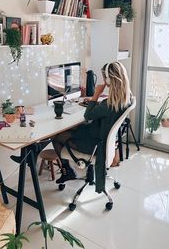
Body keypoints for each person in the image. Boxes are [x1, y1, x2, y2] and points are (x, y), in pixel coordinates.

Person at [52, 61, 131, 192]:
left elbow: (88, 116)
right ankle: (72, 170)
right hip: (104, 141)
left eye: (104, 78)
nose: (104, 81)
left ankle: (67, 171)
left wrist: (96, 94)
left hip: (96, 145)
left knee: (57, 137)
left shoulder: (108, 104)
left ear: (110, 80)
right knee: (71, 128)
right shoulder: (125, 99)